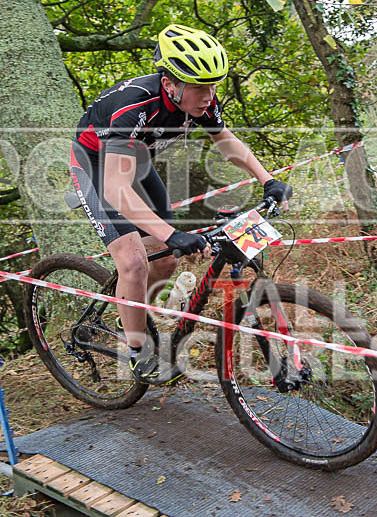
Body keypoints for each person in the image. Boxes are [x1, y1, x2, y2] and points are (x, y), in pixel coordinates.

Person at [69, 24, 292, 384]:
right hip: (96, 167)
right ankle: (136, 350)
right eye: (201, 87)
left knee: (166, 260)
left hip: (137, 163)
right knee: (133, 262)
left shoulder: (201, 99)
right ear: (171, 83)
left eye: (214, 85)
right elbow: (116, 189)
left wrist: (268, 179)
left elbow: (226, 141)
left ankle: (131, 306)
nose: (209, 95)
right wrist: (171, 232)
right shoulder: (134, 108)